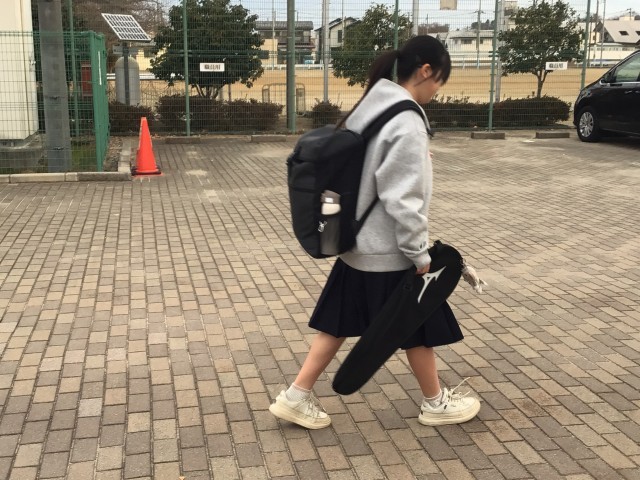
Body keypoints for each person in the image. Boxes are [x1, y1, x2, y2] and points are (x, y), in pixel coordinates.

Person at [269, 36, 481, 429]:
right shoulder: (407, 120)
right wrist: (419, 253)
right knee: (416, 325)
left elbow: (368, 163)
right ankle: (435, 402)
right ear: (426, 71)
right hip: (388, 249)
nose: (437, 90)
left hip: (356, 243)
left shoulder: (373, 103)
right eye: (440, 80)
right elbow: (403, 198)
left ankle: (296, 396)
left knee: (336, 326)